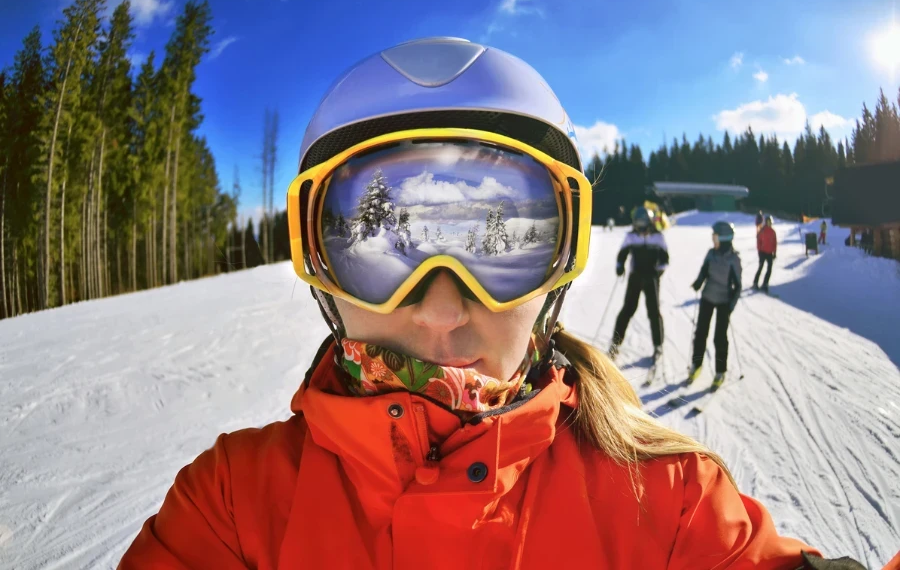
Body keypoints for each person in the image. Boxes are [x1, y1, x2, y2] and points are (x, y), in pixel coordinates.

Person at [118, 37, 862, 569]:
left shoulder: (665, 503)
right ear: (320, 265)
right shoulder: (235, 505)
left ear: (559, 268)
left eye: (499, 250)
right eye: (382, 251)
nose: (441, 311)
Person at [608, 206, 668, 363]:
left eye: (643, 224)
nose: (640, 227)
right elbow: (622, 254)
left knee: (654, 312)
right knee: (628, 309)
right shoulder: (631, 237)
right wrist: (620, 266)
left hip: (651, 279)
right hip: (635, 278)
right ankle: (615, 343)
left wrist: (658, 272)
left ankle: (658, 345)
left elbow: (665, 259)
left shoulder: (657, 237)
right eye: (638, 224)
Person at [689, 221, 742, 391]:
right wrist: (698, 282)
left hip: (723, 302)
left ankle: (720, 371)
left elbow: (738, 286)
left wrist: (731, 305)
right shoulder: (711, 254)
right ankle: (696, 365)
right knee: (700, 333)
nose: (713, 238)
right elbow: (704, 271)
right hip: (707, 298)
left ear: (724, 238)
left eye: (715, 235)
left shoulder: (733, 259)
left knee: (719, 337)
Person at [754, 214, 777, 293]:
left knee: (769, 269)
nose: (769, 223)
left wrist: (774, 252)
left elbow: (774, 242)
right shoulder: (762, 230)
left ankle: (765, 283)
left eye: (770, 222)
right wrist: (759, 251)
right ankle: (755, 282)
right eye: (767, 222)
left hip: (770, 253)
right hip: (763, 252)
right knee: (761, 267)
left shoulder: (773, 231)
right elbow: (758, 241)